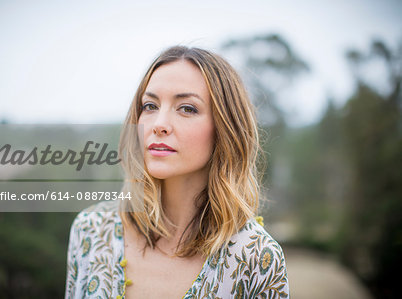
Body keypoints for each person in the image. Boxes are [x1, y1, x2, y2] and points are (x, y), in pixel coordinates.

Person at [65, 45, 289, 298]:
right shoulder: (92, 231)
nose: (159, 124)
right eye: (150, 106)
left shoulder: (255, 257)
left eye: (187, 108)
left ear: (225, 129)